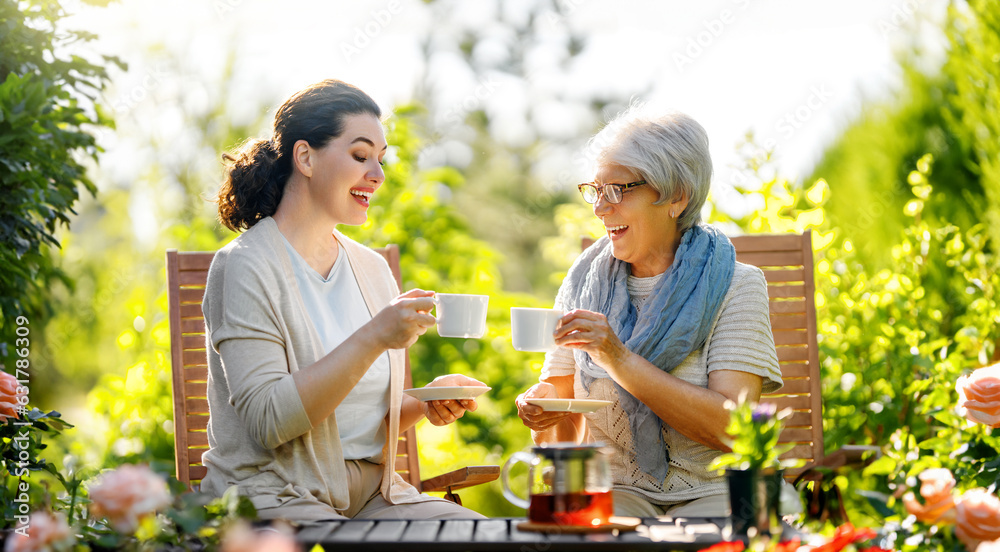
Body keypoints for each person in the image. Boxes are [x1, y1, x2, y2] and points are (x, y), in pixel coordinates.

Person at [201, 79, 486, 522]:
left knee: (493, 540)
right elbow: (269, 421)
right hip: (277, 495)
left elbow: (355, 419)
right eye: (360, 155)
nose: (377, 174)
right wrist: (373, 337)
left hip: (379, 494)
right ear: (305, 157)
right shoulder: (245, 266)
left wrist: (425, 401)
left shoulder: (372, 269)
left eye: (380, 159)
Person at [515, 105, 784, 518]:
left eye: (618, 190)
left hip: (720, 488)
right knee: (580, 533)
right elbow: (562, 437)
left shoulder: (736, 284)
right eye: (596, 190)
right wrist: (542, 409)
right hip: (612, 489)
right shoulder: (584, 280)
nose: (601, 208)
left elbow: (735, 431)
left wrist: (618, 358)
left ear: (677, 196)